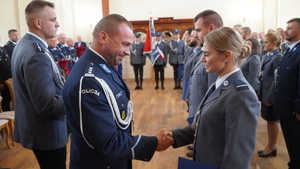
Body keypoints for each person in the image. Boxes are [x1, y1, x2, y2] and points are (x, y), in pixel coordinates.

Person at [62, 14, 173, 169]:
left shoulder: (103, 65)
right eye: (125, 44)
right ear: (103, 37)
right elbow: (106, 141)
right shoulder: (88, 79)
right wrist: (153, 142)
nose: (128, 51)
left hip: (115, 158)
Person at [166, 27, 260, 168]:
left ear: (227, 56)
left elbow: (237, 158)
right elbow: (203, 126)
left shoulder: (242, 95)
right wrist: (172, 136)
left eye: (207, 54)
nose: (202, 59)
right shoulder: (219, 84)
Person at [11, 1, 68, 169]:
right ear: (38, 23)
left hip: (37, 129)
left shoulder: (25, 44)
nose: (57, 24)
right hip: (48, 133)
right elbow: (46, 104)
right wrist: (76, 98)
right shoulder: (36, 53)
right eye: (53, 20)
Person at [273, 18, 300, 169]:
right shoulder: (291, 49)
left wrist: (299, 106)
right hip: (285, 105)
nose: (286, 30)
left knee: (296, 142)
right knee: (290, 140)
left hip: (293, 108)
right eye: (286, 27)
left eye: (290, 28)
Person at [257, 31, 282, 157]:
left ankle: (271, 147)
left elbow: (275, 79)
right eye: (263, 42)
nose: (263, 44)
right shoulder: (268, 55)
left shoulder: (277, 57)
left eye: (266, 42)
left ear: (274, 43)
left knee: (272, 121)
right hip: (265, 92)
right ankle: (269, 146)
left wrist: (270, 97)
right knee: (268, 120)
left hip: (271, 95)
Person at [0, 46, 12, 111]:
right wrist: (0, 82)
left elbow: (8, 63)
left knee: (9, 97)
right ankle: (5, 111)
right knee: (5, 99)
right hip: (2, 80)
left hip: (8, 77)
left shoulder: (3, 49)